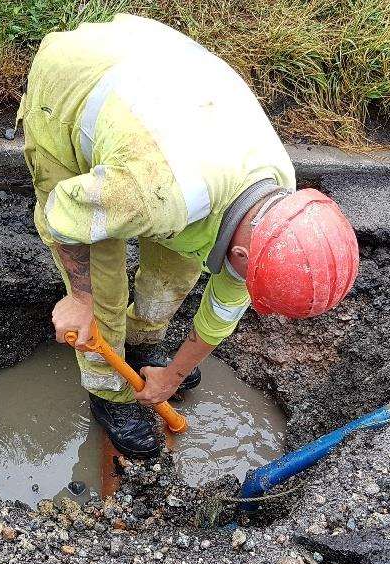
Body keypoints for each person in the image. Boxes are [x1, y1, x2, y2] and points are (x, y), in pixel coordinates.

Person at [18, 14, 359, 459]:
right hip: (74, 85)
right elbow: (63, 212)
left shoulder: (277, 210)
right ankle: (110, 396)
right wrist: (80, 297)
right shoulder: (147, 195)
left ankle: (141, 347)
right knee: (102, 295)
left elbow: (222, 308)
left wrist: (173, 375)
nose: (242, 288)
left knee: (176, 271)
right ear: (240, 249)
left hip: (164, 91)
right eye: (246, 279)